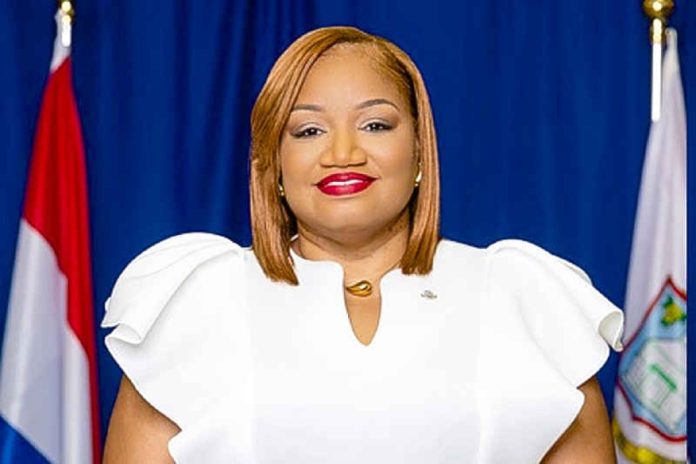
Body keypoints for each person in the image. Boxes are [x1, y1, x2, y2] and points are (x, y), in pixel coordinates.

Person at [101, 26, 624, 463]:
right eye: (308, 130)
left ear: (419, 150)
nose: (343, 153)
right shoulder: (196, 303)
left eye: (374, 124)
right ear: (273, 163)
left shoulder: (522, 297)